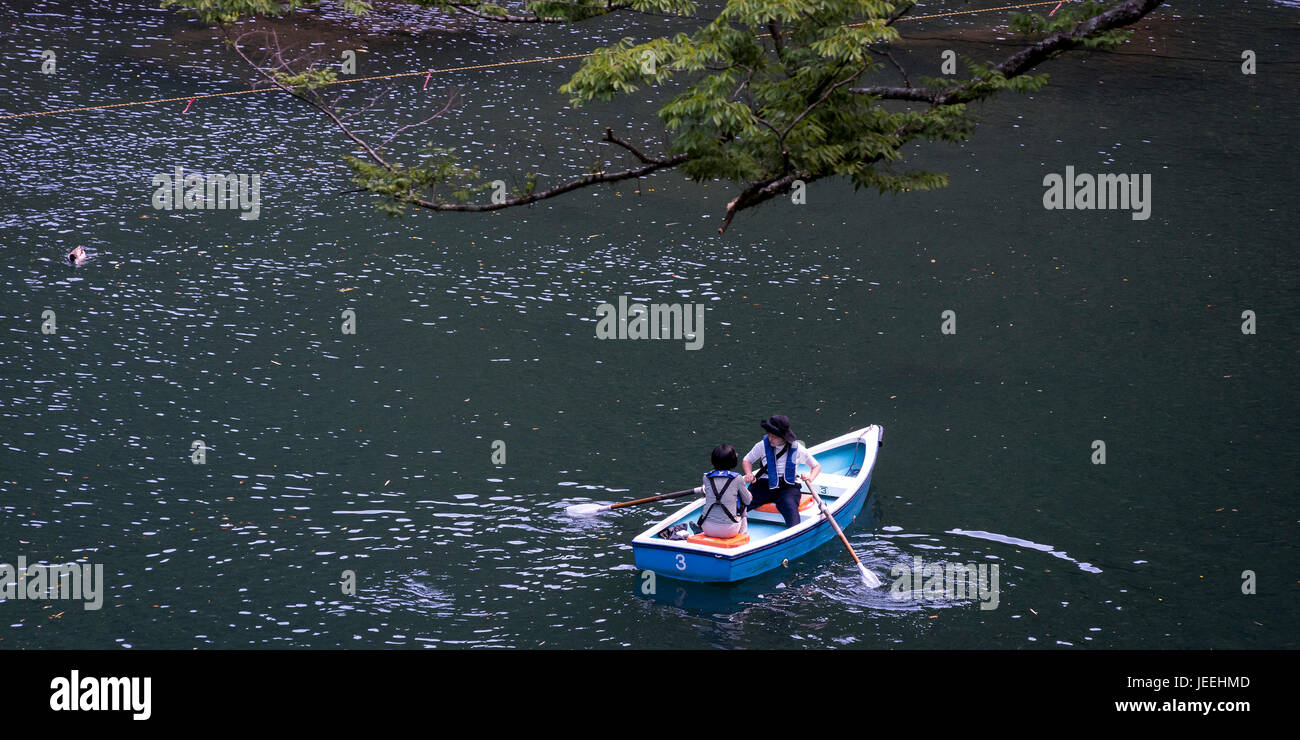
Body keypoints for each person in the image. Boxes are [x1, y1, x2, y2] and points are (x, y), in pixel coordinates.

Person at [742, 415, 820, 528]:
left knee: (791, 510)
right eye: (769, 435)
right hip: (764, 485)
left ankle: (793, 534)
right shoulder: (762, 445)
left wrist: (810, 477)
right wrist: (749, 473)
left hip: (787, 487)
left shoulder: (796, 449)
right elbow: (747, 460)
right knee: (741, 504)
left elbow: (816, 466)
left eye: (774, 437)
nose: (770, 439)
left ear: (784, 437)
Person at [692, 444, 752, 539]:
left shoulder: (706, 477)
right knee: (743, 502)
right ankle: (743, 534)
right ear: (733, 461)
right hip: (729, 531)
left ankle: (699, 526)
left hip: (707, 528)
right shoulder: (737, 478)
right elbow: (748, 501)